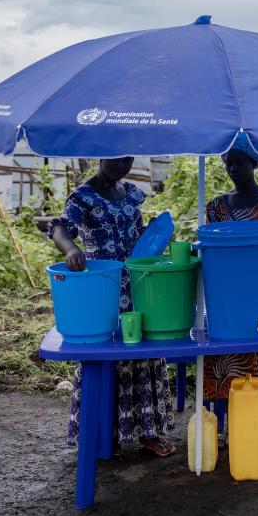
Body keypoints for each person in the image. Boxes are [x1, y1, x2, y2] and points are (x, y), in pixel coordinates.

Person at [49, 157, 176, 457]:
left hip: (137, 285)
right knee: (103, 356)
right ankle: (106, 435)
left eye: (128, 159)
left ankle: (150, 432)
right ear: (100, 154)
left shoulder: (131, 193)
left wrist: (157, 237)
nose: (123, 164)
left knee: (144, 352)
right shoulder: (84, 196)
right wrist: (71, 249)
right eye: (116, 158)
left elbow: (140, 234)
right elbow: (59, 228)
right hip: (103, 289)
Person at [202, 133, 258, 452]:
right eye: (229, 164)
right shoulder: (215, 206)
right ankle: (229, 428)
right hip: (227, 295)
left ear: (253, 163)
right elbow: (211, 252)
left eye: (240, 162)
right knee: (226, 359)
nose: (233, 169)